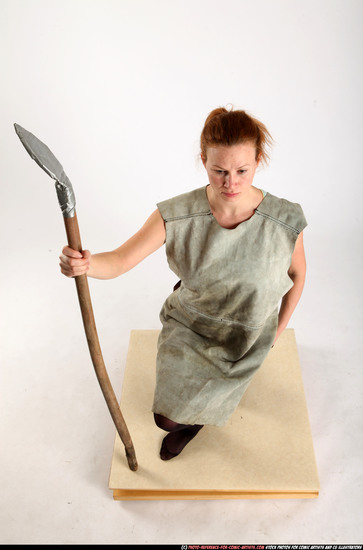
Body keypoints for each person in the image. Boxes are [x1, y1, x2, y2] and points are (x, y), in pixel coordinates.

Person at [59, 107, 307, 461]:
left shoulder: (285, 221)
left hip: (248, 334)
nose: (231, 183)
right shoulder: (176, 213)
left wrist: (277, 331)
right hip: (193, 324)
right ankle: (192, 422)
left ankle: (210, 403)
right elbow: (120, 260)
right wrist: (86, 264)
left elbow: (297, 275)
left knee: (211, 394)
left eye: (242, 171)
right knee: (166, 420)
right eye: (219, 171)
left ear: (258, 159)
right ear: (203, 159)